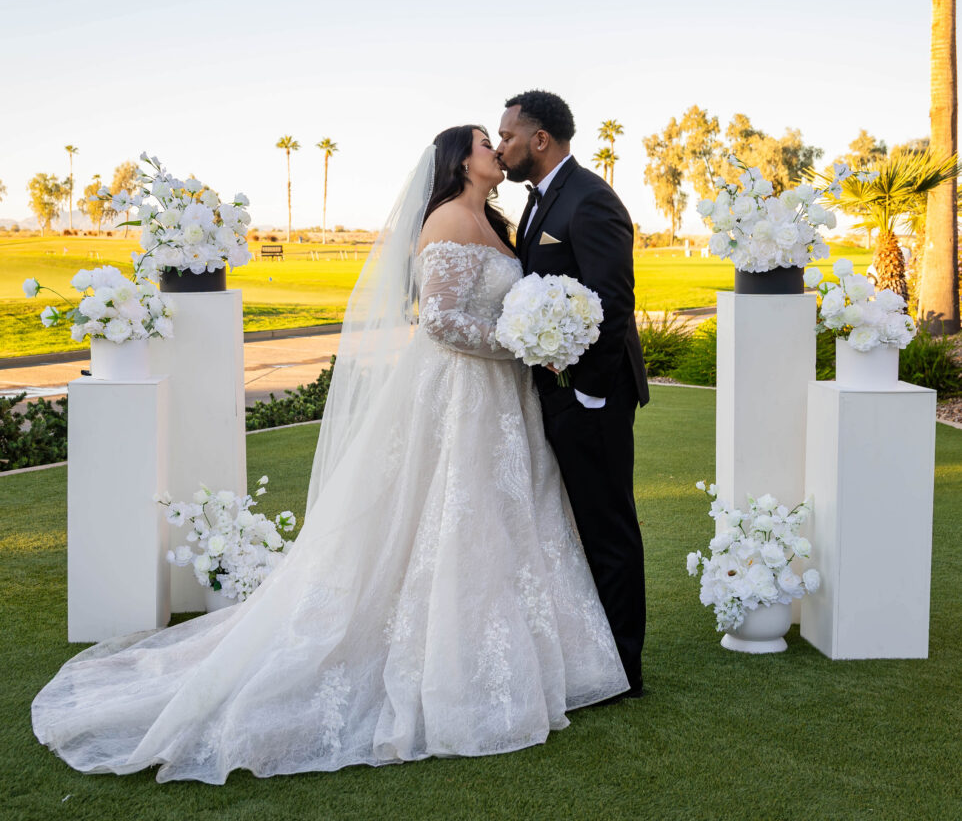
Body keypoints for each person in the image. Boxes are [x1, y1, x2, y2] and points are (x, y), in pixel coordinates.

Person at [31, 125, 628, 785]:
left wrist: (533, 333)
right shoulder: (447, 221)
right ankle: (453, 670)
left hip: (499, 397)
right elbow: (439, 321)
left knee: (502, 516)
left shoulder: (493, 219)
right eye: (486, 143)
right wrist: (519, 340)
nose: (497, 151)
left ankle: (534, 657)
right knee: (453, 516)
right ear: (461, 162)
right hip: (461, 392)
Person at [496, 91, 649, 699]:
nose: (501, 144)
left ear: (540, 140)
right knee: (574, 525)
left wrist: (587, 393)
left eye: (508, 135)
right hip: (554, 392)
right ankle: (595, 655)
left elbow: (614, 303)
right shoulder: (536, 204)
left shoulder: (591, 199)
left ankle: (624, 670)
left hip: (595, 398)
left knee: (607, 526)